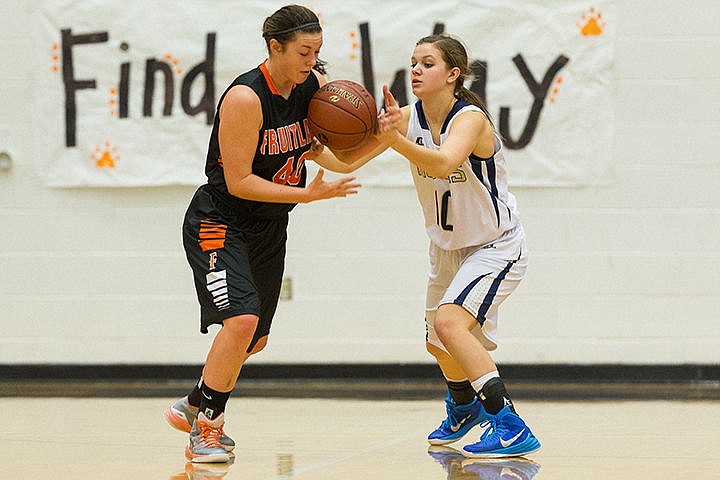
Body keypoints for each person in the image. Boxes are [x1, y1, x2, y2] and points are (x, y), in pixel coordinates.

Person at [164, 5, 374, 463]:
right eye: (303, 51)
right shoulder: (245, 97)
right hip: (219, 220)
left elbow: (336, 159)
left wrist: (383, 136)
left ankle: (194, 401)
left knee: (253, 339)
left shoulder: (313, 89)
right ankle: (207, 428)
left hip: (268, 225)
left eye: (317, 52)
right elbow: (238, 181)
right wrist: (310, 196)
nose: (312, 61)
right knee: (240, 322)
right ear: (274, 46)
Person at [375, 34, 541, 458]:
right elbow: (348, 158)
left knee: (451, 324)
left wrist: (394, 140)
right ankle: (464, 407)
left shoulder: (470, 118)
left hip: (495, 245)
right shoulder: (408, 119)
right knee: (437, 343)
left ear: (452, 75)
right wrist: (313, 151)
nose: (415, 70)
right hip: (447, 249)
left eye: (427, 64)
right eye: (413, 62)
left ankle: (508, 423)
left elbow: (446, 161)